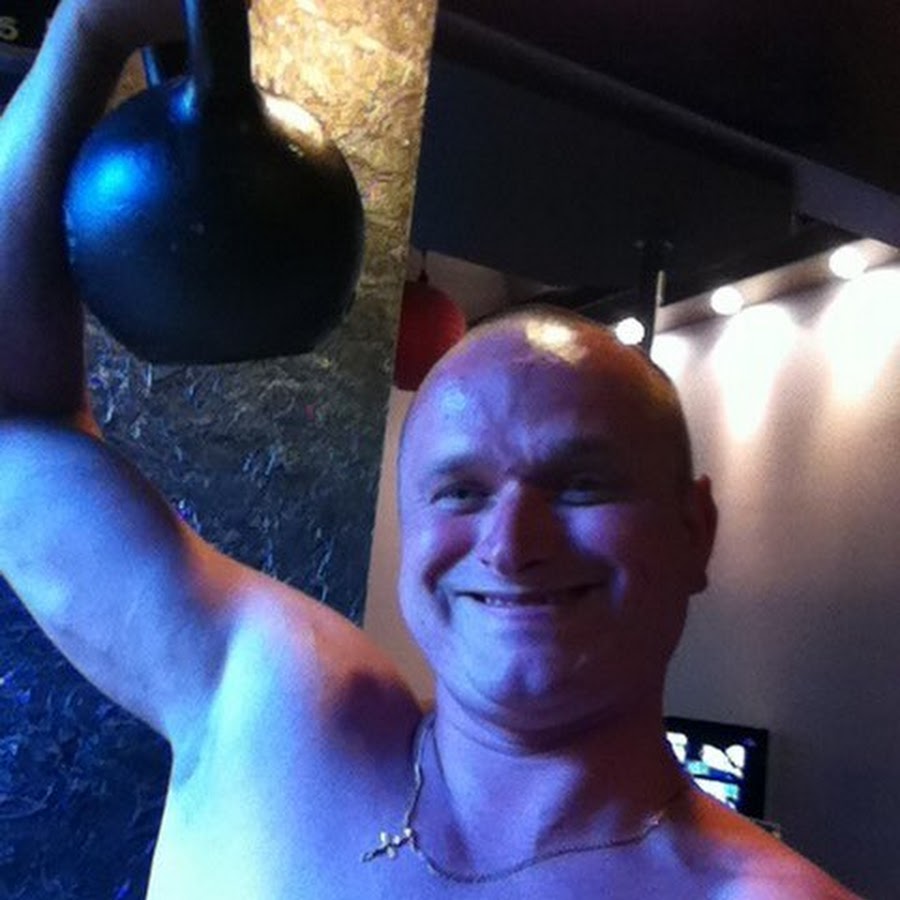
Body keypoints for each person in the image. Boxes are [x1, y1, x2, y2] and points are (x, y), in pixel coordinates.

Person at [0, 2, 857, 897]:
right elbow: (15, 421)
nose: (511, 544)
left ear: (694, 529)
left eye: (582, 483)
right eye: (460, 491)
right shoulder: (269, 707)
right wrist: (87, 33)